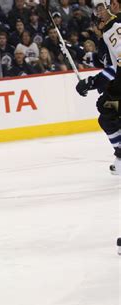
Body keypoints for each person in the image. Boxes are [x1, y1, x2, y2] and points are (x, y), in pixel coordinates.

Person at [75, 0, 121, 175]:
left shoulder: (113, 30)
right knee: (107, 113)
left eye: (102, 10)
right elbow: (100, 59)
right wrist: (73, 50)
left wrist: (91, 83)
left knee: (108, 110)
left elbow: (112, 68)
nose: (98, 23)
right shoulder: (106, 38)